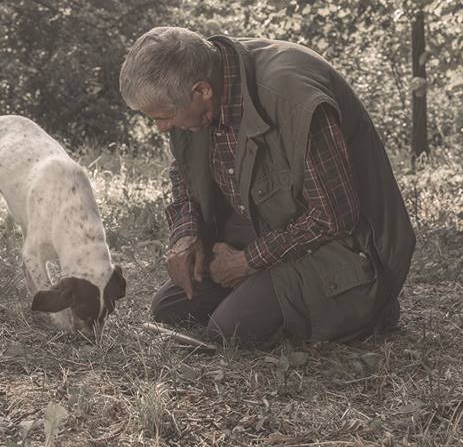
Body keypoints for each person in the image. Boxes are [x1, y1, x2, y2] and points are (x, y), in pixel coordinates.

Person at [119, 26, 416, 346]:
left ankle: (371, 307)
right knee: (171, 308)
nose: (162, 128)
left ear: (201, 90)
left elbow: (334, 215)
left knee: (229, 330)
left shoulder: (294, 96)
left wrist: (248, 262)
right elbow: (184, 175)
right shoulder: (194, 93)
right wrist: (186, 233)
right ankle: (265, 297)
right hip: (269, 223)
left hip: (348, 247)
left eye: (165, 117)